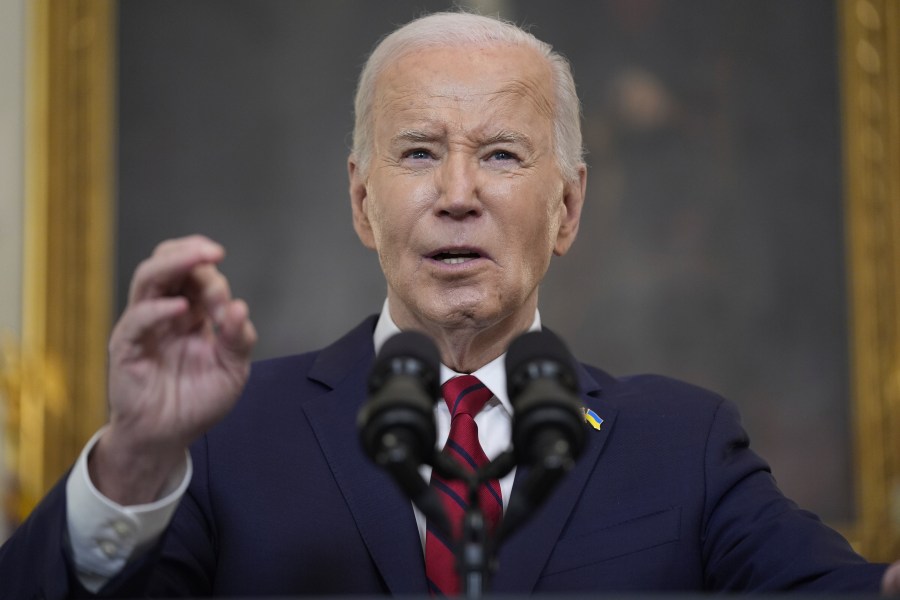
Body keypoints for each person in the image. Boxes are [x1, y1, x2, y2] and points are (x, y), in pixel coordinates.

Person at [1, 10, 899, 598]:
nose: (458, 192)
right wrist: (130, 460)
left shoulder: (683, 446)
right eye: (420, 152)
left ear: (569, 208)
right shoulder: (226, 435)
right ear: (362, 201)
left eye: (503, 154)